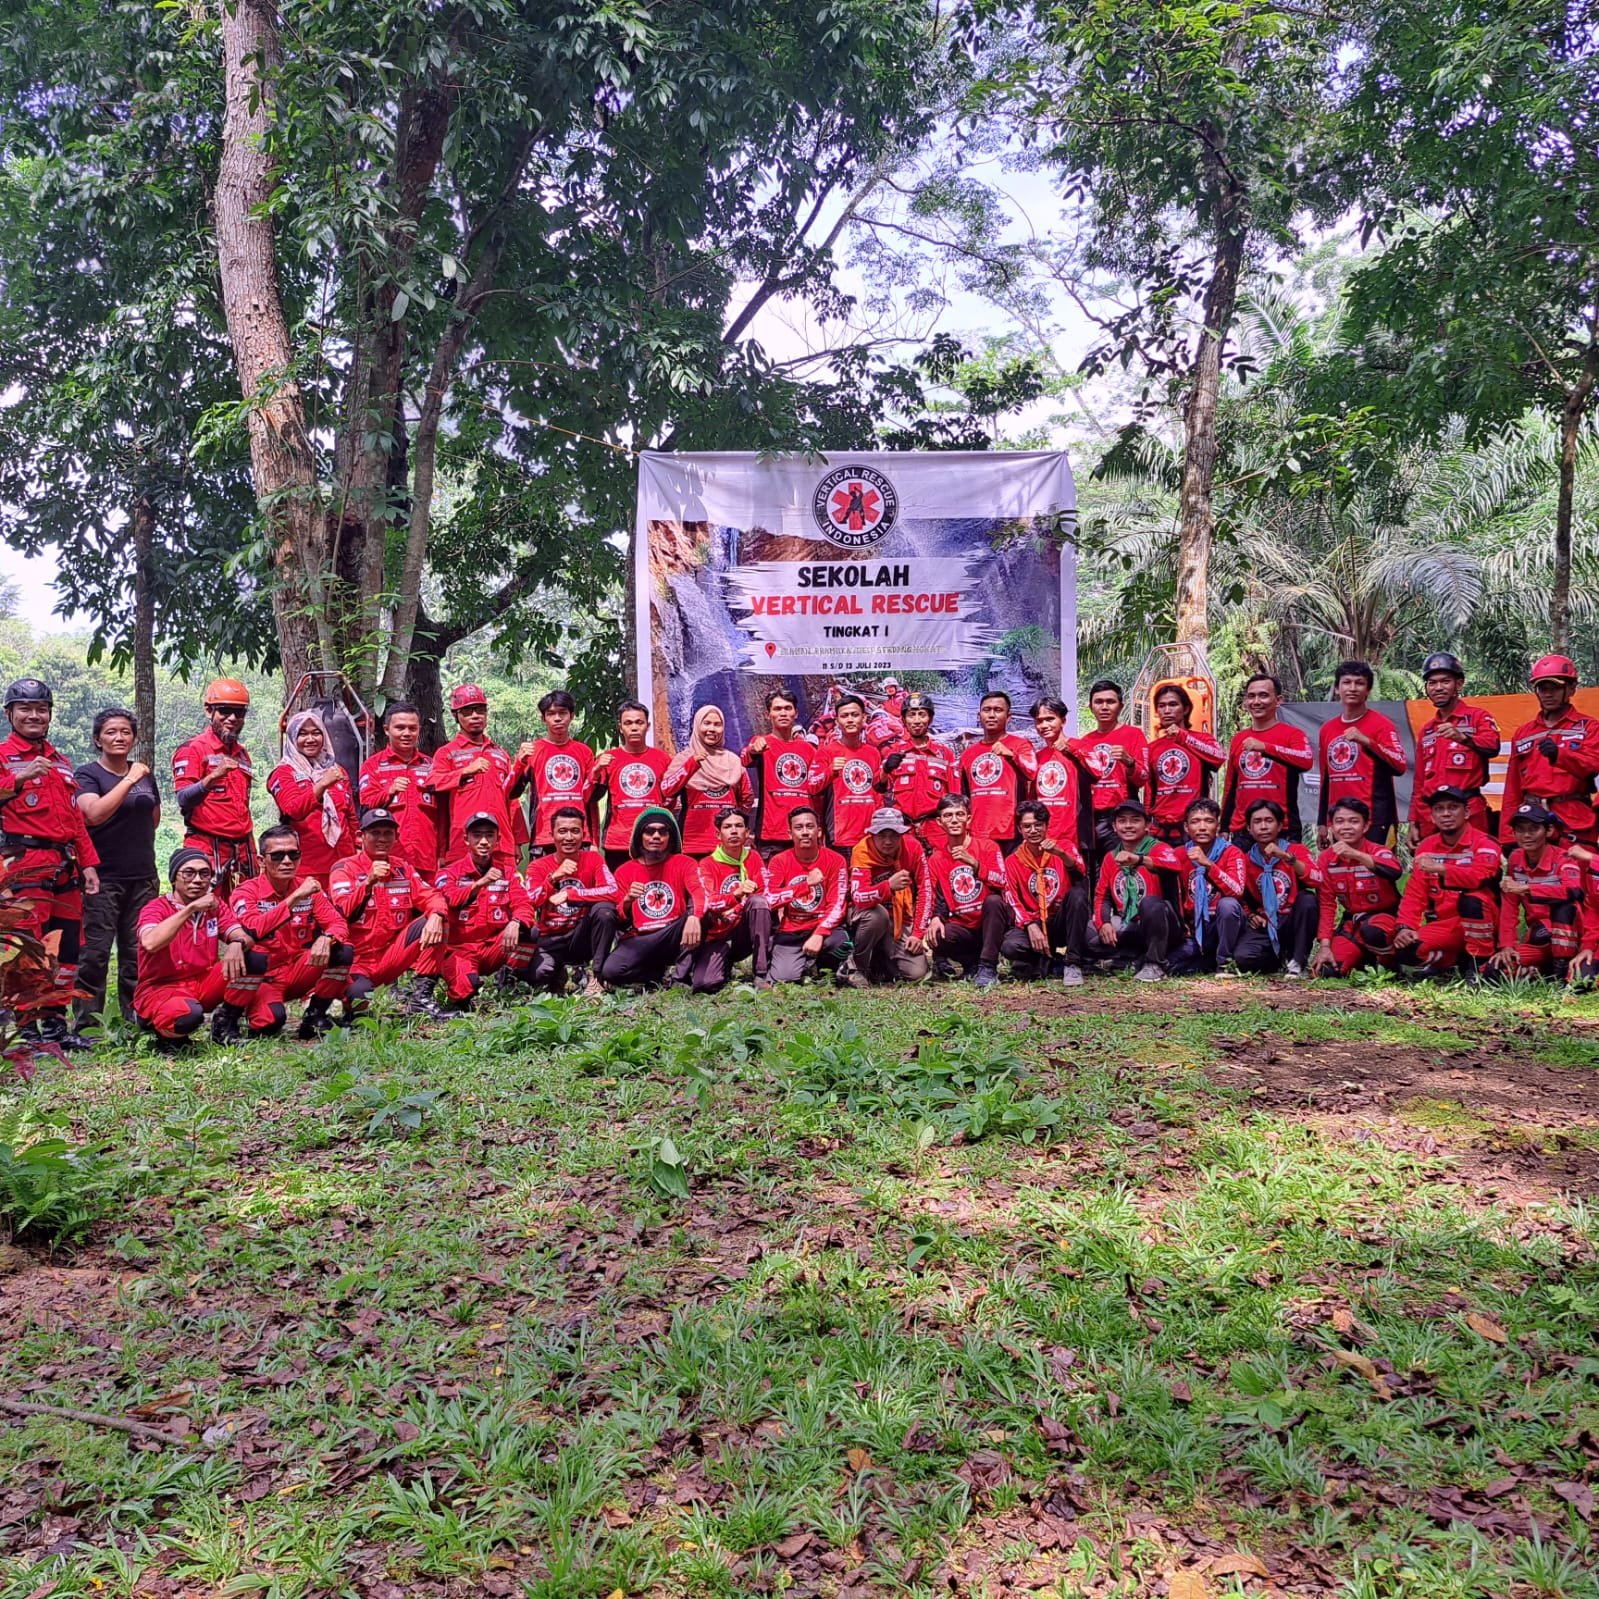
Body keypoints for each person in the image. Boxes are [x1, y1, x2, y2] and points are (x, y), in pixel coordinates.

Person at [0, 677, 101, 1049]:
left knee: (68, 949)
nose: (33, 715)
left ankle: (56, 1027)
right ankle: (26, 1029)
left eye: (41, 709)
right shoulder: (3, 757)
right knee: (28, 949)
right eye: (24, 708)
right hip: (23, 862)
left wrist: (89, 864)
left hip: (64, 864)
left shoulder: (59, 761)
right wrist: (19, 778)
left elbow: (75, 819)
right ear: (10, 713)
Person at [73, 707, 159, 1034]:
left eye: (125, 731)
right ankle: (87, 1027)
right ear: (98, 739)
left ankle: (135, 1019)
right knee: (94, 955)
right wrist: (130, 779)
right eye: (111, 732)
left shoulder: (144, 775)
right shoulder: (88, 775)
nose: (119, 737)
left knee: (137, 953)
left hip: (142, 876)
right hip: (102, 878)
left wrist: (137, 778)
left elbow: (153, 816)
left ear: (134, 737)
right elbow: (92, 814)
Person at [226, 825, 354, 1040]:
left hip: (297, 971)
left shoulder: (310, 889)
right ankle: (232, 1016)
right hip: (262, 979)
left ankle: (315, 1016)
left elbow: (338, 924)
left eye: (293, 854)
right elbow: (253, 928)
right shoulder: (246, 892)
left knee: (343, 951)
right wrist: (294, 898)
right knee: (270, 1024)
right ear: (260, 861)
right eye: (277, 855)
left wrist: (327, 937)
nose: (287, 861)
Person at [133, 848, 261, 1046]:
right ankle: (164, 1034)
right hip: (161, 988)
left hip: (202, 983)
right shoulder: (156, 908)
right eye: (189, 873)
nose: (198, 879)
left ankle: (225, 1024)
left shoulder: (214, 906)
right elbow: (151, 943)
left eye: (204, 873)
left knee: (254, 958)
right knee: (187, 1016)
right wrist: (190, 909)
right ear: (174, 878)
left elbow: (242, 934)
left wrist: (237, 943)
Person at [329, 807, 449, 1016]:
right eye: (375, 833)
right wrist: (367, 883)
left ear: (396, 837)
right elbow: (341, 913)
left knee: (439, 919)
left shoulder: (403, 868)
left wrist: (437, 915)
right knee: (358, 1002)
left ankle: (421, 998)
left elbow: (432, 896)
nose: (382, 839)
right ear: (360, 837)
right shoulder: (344, 868)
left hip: (391, 958)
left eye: (388, 833)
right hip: (356, 962)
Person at [1064, 799, 1183, 983]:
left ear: (1147, 825)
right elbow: (1101, 896)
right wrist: (1104, 923)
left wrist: (1140, 859)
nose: (1128, 826)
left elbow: (1175, 865)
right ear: (1114, 826)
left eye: (1135, 820)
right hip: (1127, 922)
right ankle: (1128, 956)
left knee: (1151, 903)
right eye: (1122, 821)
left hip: (1161, 924)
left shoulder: (1159, 848)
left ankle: (1154, 964)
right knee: (1087, 932)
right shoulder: (1111, 857)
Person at [1394, 786, 1502, 978]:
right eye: (1439, 809)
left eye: (1453, 807)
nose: (1446, 813)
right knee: (1406, 950)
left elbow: (1480, 876)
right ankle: (1451, 961)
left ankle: (1479, 964)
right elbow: (1415, 893)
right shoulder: (1426, 846)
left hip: (1482, 922)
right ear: (1433, 816)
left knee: (1473, 901)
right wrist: (1405, 927)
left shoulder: (1485, 843)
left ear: (1467, 812)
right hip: (1445, 925)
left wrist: (1441, 869)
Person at [432, 814, 538, 1006]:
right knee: (465, 992)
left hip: (494, 947)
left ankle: (510, 980)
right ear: (466, 839)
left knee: (529, 931)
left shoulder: (508, 872)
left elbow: (524, 904)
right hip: (460, 950)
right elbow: (449, 899)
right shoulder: (449, 873)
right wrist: (480, 883)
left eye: (489, 835)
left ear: (498, 840)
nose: (483, 841)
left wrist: (516, 922)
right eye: (477, 835)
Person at [597, 807, 708, 989]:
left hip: (674, 933)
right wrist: (628, 900)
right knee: (611, 971)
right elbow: (618, 919)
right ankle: (654, 975)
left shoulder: (684, 863)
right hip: (641, 937)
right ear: (640, 836)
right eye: (649, 831)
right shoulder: (625, 871)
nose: (656, 836)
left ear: (670, 837)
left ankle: (679, 978)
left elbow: (700, 892)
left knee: (701, 917)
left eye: (662, 832)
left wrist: (695, 916)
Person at [1500, 655, 1599, 846]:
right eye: (1542, 688)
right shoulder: (1523, 733)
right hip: (1532, 821)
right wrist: (1508, 837)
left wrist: (1560, 755)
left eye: (1555, 688)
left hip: (1574, 820)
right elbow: (1512, 789)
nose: (1548, 694)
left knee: (1578, 874)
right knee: (1535, 876)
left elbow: (1593, 764)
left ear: (1571, 688)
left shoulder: (1590, 728)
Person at [172, 677, 258, 894]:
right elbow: (183, 798)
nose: (232, 718)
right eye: (225, 711)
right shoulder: (193, 749)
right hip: (207, 845)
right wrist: (211, 779)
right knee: (204, 911)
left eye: (239, 713)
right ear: (209, 711)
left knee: (244, 911)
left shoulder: (242, 755)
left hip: (242, 848)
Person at [525, 805, 619, 995]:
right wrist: (553, 878)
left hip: (580, 935)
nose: (569, 837)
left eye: (575, 831)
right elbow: (529, 900)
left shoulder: (593, 859)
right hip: (550, 937)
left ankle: (597, 976)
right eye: (562, 831)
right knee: (540, 974)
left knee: (605, 911)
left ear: (583, 835)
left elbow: (613, 891)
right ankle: (559, 973)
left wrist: (571, 895)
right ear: (552, 835)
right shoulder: (537, 866)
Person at [1409, 653, 1501, 843]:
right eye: (1432, 683)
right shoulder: (1427, 730)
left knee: (1475, 868)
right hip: (1430, 815)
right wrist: (1413, 820)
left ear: (1458, 684)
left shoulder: (1478, 717)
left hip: (1469, 811)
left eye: (1445, 681)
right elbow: (1419, 782)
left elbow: (1493, 745)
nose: (1438, 688)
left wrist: (1464, 738)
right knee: (1432, 869)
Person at [429, 684, 521, 871]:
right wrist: (465, 772)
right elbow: (432, 783)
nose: (475, 716)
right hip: (463, 843)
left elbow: (512, 800)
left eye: (480, 710)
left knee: (505, 894)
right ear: (456, 716)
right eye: (467, 712)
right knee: (466, 896)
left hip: (501, 843)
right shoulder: (447, 753)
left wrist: (517, 841)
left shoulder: (500, 753)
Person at [1309, 798, 1403, 977]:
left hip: (1385, 920)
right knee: (1327, 971)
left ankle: (1390, 965)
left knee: (1373, 930)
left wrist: (1355, 854)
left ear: (1366, 826)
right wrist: (1325, 946)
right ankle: (1364, 957)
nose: (1346, 827)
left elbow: (1395, 870)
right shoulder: (1326, 859)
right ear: (1331, 826)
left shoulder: (1378, 850)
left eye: (1354, 821)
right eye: (1340, 821)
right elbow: (1327, 905)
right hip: (1354, 924)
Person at [1317, 660, 1408, 845]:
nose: (1352, 688)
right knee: (1342, 872)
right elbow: (1326, 779)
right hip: (1340, 820)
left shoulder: (1382, 725)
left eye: (1359, 683)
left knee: (1378, 871)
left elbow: (1399, 766)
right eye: (1346, 682)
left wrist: (1367, 742)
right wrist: (1322, 823)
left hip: (1376, 819)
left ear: (1368, 690)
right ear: (1337, 688)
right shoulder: (1327, 729)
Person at [1490, 802, 1584, 980]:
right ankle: (1540, 969)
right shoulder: (1516, 858)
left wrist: (1527, 888)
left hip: (1568, 933)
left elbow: (1573, 891)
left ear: (1548, 831)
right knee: (1495, 970)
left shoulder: (1564, 857)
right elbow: (1510, 907)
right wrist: (1507, 946)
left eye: (1534, 829)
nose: (1526, 835)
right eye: (1520, 829)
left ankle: (1561, 974)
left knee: (1562, 911)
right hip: (1537, 937)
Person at [925, 793, 1010, 988]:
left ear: (968, 818)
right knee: (937, 935)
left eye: (959, 814)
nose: (954, 820)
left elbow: (1003, 882)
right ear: (939, 822)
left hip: (992, 924)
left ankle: (988, 966)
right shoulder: (936, 859)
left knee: (994, 901)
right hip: (963, 926)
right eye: (948, 815)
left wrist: (975, 864)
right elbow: (935, 895)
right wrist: (935, 918)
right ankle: (971, 964)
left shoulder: (988, 846)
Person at [267, 710, 359, 882]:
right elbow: (292, 810)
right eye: (303, 734)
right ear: (293, 738)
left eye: (316, 732)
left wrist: (358, 848)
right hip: (308, 867)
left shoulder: (337, 771)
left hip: (344, 864)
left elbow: (350, 816)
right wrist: (322, 784)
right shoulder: (283, 773)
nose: (310, 739)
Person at [1221, 673, 1314, 842]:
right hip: (1243, 829)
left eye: (1263, 695)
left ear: (1278, 700)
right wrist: (1224, 826)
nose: (1256, 701)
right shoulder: (1239, 739)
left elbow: (1306, 760)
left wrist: (1265, 748)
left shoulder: (1293, 735)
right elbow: (1231, 786)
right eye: (1251, 696)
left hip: (1283, 828)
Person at [845, 807, 933, 985]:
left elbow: (926, 890)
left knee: (917, 973)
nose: (887, 841)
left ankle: (881, 961)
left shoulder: (913, 847)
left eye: (893, 835)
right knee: (877, 915)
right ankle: (856, 968)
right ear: (872, 834)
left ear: (902, 834)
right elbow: (858, 897)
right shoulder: (861, 850)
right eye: (881, 835)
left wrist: (917, 933)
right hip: (866, 916)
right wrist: (888, 887)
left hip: (901, 918)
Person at [688, 808, 772, 992]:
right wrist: (735, 894)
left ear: (747, 832)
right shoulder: (707, 864)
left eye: (739, 826)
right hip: (718, 935)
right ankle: (722, 966)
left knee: (758, 903)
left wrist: (736, 908)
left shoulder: (754, 857)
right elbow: (709, 902)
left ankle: (760, 973)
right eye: (727, 827)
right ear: (718, 834)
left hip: (744, 932)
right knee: (705, 984)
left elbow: (766, 895)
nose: (734, 831)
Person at [764, 806, 850, 984]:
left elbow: (837, 904)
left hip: (825, 929)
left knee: (841, 942)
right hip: (791, 930)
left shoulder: (836, 860)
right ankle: (801, 963)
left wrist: (820, 933)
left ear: (819, 832)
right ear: (790, 833)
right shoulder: (779, 861)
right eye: (799, 827)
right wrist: (805, 886)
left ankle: (825, 964)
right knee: (784, 978)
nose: (805, 832)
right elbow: (768, 900)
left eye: (810, 827)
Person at [1235, 800, 1321, 977]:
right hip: (1267, 922)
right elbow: (1237, 895)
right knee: (1243, 958)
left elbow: (1317, 879)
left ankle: (1298, 960)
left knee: (1308, 899)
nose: (1264, 826)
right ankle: (1279, 960)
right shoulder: (1245, 860)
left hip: (1292, 919)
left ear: (1280, 825)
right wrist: (1251, 915)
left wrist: (1286, 857)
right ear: (1249, 829)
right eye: (1257, 822)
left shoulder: (1297, 850)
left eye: (1269, 820)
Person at [359, 701, 442, 875]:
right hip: (387, 859)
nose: (406, 733)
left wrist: (443, 853)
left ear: (419, 729)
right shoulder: (373, 765)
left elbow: (443, 815)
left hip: (427, 859)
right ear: (387, 729)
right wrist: (387, 792)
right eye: (400, 728)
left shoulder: (431, 766)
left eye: (412, 728)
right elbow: (365, 805)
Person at [662, 704, 755, 857]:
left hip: (728, 847)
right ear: (697, 725)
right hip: (692, 845)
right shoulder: (684, 759)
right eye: (707, 723)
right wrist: (692, 765)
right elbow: (667, 790)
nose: (712, 729)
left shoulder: (733, 761)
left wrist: (735, 827)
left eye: (717, 724)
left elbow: (746, 800)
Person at [1169, 798, 1248, 976]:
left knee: (1228, 905)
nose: (1202, 827)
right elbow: (1175, 895)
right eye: (1195, 821)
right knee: (1172, 965)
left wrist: (1209, 866)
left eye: (1209, 821)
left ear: (1218, 826)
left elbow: (1237, 891)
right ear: (1186, 827)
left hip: (1224, 924)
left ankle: (1224, 963)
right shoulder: (1179, 854)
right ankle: (1206, 960)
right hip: (1195, 926)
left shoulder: (1231, 852)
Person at [1069, 680, 1148, 856]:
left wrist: (1129, 762)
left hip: (1121, 817)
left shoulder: (1133, 734)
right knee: (1097, 877)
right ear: (1090, 707)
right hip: (1091, 819)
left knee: (1123, 871)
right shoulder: (1085, 741)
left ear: (1120, 706)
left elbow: (1143, 778)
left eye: (1110, 702)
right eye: (1098, 702)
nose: (1104, 707)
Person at [589, 701, 671, 870]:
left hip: (653, 840)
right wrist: (596, 771)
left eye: (639, 722)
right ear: (620, 727)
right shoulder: (608, 759)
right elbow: (591, 798)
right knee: (621, 893)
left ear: (647, 726)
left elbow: (670, 798)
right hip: (618, 842)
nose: (634, 728)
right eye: (628, 723)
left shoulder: (663, 759)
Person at [1000, 801, 1076, 981]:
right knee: (1011, 946)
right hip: (1033, 921)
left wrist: (1060, 854)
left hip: (1060, 920)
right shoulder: (1013, 860)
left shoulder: (1063, 847)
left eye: (1038, 825)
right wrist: (1030, 925)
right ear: (1020, 829)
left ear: (1046, 826)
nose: (1033, 830)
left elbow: (1080, 871)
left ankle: (1074, 962)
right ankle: (1046, 960)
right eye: (1027, 826)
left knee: (1091, 939)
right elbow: (1011, 897)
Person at [514, 690, 595, 854]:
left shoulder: (584, 752)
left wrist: (594, 841)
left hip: (579, 835)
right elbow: (511, 793)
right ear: (543, 718)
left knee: (580, 880)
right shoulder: (532, 751)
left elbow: (592, 800)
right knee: (544, 880)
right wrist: (519, 763)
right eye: (551, 714)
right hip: (543, 837)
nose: (557, 718)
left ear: (571, 715)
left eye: (562, 713)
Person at [1146, 684, 1226, 845]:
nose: (1167, 710)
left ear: (1186, 709)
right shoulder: (1152, 748)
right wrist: (1147, 820)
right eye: (1161, 706)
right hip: (1161, 828)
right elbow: (1149, 789)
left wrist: (1182, 736)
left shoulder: (1202, 739)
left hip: (1194, 826)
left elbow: (1219, 757)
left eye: (1173, 704)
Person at [741, 690, 816, 856]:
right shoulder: (761, 742)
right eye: (777, 709)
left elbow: (817, 790)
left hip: (805, 833)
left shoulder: (809, 750)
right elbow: (745, 758)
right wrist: (753, 750)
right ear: (768, 714)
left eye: (788, 708)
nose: (783, 713)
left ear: (796, 713)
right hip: (771, 834)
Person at [960, 691, 1038, 850]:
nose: (991, 715)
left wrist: (1011, 755)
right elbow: (963, 797)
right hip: (978, 833)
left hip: (1012, 832)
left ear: (1009, 717)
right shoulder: (968, 754)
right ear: (979, 715)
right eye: (987, 710)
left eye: (998, 710)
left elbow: (1032, 772)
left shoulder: (1021, 745)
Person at [880, 692, 958, 849]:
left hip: (937, 831)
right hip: (903, 830)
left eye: (922, 715)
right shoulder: (893, 751)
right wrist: (886, 769)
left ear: (930, 719)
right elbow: (879, 788)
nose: (916, 720)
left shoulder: (944, 753)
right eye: (911, 715)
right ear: (903, 720)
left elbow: (955, 797)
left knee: (939, 871)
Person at [806, 694, 884, 849]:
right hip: (840, 836)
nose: (850, 720)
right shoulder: (826, 752)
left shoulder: (873, 753)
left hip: (871, 835)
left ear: (864, 719)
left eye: (855, 715)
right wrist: (830, 771)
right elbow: (811, 786)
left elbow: (877, 794)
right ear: (837, 722)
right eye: (844, 716)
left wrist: (880, 827)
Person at [1030, 697, 1090, 861]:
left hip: (1074, 834)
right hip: (1044, 835)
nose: (1044, 725)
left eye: (1050, 719)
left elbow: (1097, 773)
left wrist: (1072, 750)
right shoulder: (1038, 757)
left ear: (1063, 720)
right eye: (1039, 721)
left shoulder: (1080, 747)